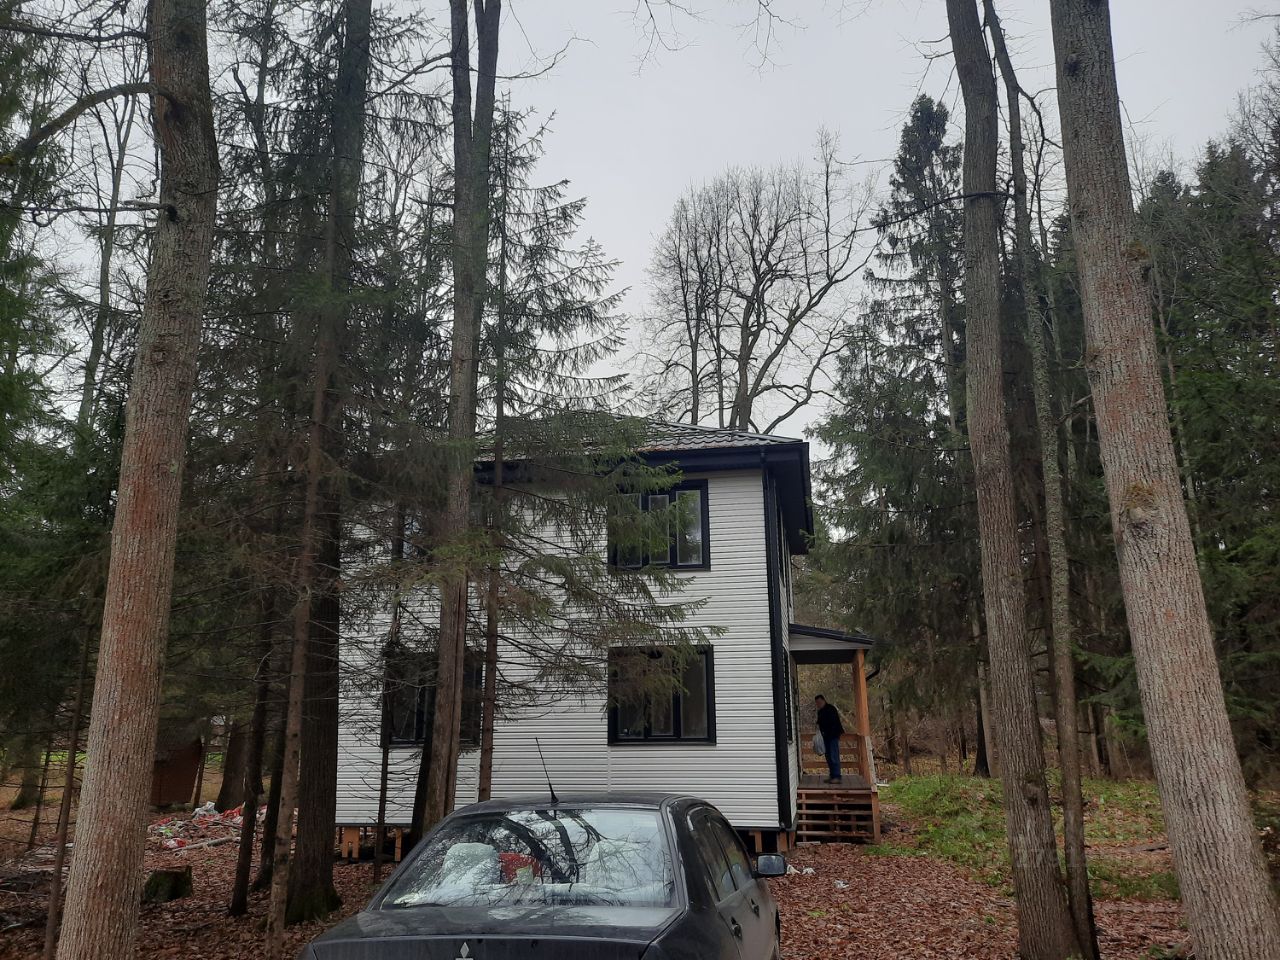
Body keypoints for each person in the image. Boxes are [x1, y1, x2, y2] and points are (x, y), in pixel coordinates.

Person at [815, 694, 844, 783]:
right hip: (825, 737)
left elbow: (833, 723)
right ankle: (832, 775)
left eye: (819, 702)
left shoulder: (830, 709)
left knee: (833, 756)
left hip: (833, 736)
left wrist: (829, 732)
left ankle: (837, 776)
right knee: (828, 757)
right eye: (817, 703)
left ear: (823, 700)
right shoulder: (820, 711)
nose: (818, 704)